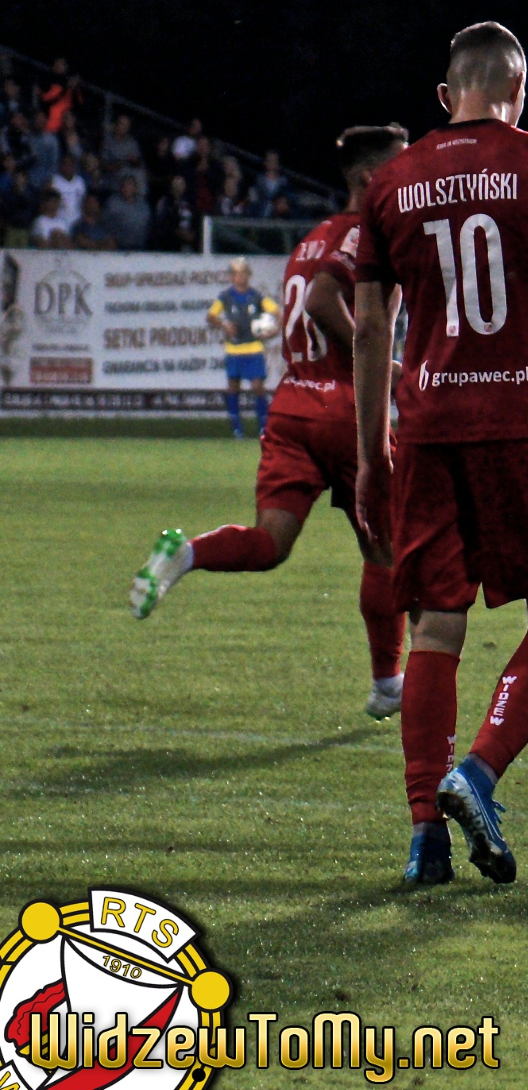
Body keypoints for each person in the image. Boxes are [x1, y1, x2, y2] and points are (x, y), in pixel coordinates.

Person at [350, 21, 528, 887]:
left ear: (446, 95)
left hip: (429, 426)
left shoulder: (391, 181)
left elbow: (369, 328)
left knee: (436, 622)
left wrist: (370, 453)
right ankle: (479, 770)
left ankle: (424, 838)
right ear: (519, 90)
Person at [130, 126, 413, 723]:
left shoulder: (311, 239)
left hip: (292, 409)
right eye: (399, 170)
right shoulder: (368, 233)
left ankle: (187, 554)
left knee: (270, 543)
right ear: (370, 180)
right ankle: (389, 682)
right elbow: (320, 303)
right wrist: (381, 363)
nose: (410, 179)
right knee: (385, 548)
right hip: (345, 410)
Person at [206, 257, 280, 439]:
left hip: (254, 348)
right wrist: (224, 324)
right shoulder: (226, 297)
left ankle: (263, 427)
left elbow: (277, 312)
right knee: (233, 387)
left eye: (244, 273)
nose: (241, 277)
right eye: (237, 274)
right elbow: (211, 316)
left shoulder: (256, 296)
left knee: (258, 386)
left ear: (249, 275)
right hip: (234, 349)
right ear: (231, 277)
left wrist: (274, 330)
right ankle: (237, 429)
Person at [103, 176, 151, 252]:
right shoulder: (113, 203)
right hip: (119, 246)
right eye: (124, 185)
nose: (127, 188)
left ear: (135, 188)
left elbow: (147, 224)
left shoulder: (143, 205)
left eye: (130, 185)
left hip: (140, 246)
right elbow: (106, 222)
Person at [152, 174, 197, 252]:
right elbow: (163, 224)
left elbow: (195, 220)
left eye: (182, 184)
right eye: (177, 184)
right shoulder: (165, 202)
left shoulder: (189, 202)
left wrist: (192, 234)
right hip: (170, 245)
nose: (179, 187)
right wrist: (179, 233)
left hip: (188, 245)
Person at [49, 153, 85, 229]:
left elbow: (83, 202)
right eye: (65, 164)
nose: (68, 167)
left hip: (77, 221)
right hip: (60, 220)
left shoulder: (79, 181)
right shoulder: (54, 181)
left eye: (70, 164)